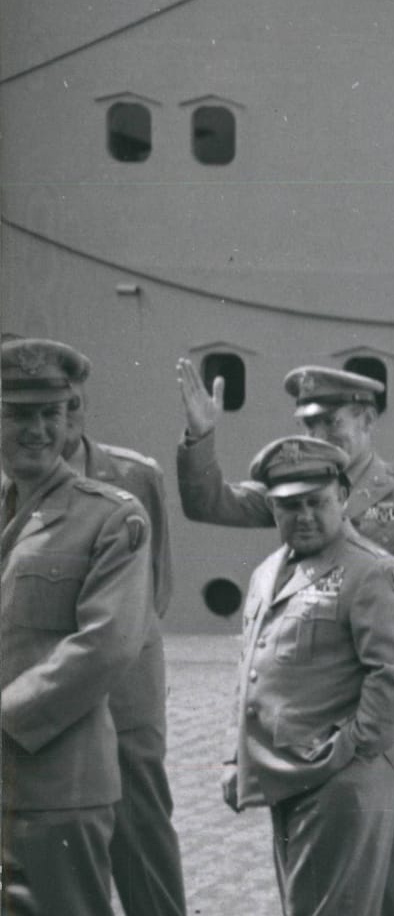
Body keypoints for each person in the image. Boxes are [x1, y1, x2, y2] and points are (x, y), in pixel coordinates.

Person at [222, 436, 394, 916]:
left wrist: (350, 748)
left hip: (337, 776)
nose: (304, 515)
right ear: (273, 509)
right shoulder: (270, 572)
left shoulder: (372, 571)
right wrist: (235, 758)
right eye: (289, 505)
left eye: (316, 502)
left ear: (342, 497)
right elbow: (249, 667)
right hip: (291, 774)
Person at [1, 338, 155, 916]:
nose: (38, 429)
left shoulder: (111, 517)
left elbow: (107, 644)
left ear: (70, 420)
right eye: (18, 414)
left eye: (52, 414)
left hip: (57, 791)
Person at [175, 360, 394, 628]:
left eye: (332, 422)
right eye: (310, 424)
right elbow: (208, 505)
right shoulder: (296, 485)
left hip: (377, 648)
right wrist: (200, 436)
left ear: (368, 420)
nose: (320, 436)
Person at [46, 345, 188, 916]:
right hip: (41, 694)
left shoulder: (135, 475)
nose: (62, 415)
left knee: (142, 836)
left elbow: (157, 585)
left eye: (70, 401)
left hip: (123, 695)